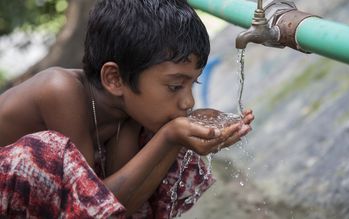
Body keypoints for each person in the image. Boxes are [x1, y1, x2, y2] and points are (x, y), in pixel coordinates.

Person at [0, 0, 254, 218]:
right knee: (47, 150)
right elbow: (87, 205)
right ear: (114, 78)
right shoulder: (59, 91)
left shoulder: (128, 115)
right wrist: (169, 135)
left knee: (152, 141)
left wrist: (178, 138)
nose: (189, 102)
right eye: (175, 86)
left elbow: (117, 206)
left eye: (192, 83)